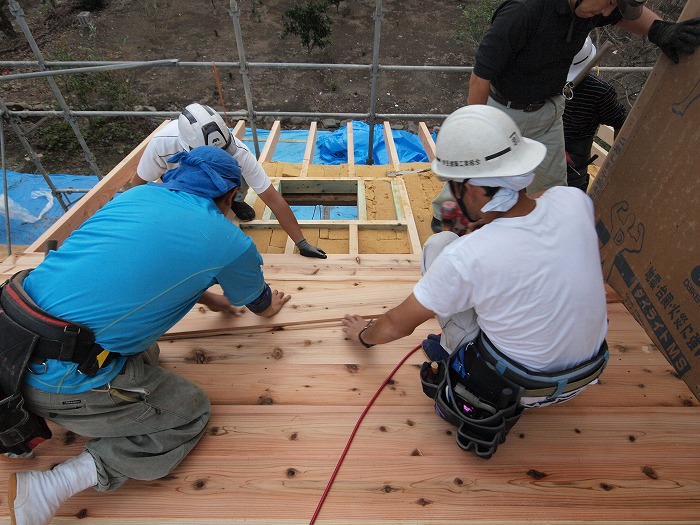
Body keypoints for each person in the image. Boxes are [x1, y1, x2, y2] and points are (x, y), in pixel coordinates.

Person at [2, 146, 291, 525]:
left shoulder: (137, 196)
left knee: (146, 349)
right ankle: (53, 486)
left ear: (173, 179)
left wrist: (207, 295)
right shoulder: (229, 241)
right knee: (188, 411)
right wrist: (269, 305)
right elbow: (259, 303)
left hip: (9, 339)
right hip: (58, 378)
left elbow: (136, 259)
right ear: (231, 196)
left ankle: (16, 429)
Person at [344, 105, 608, 457]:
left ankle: (460, 353)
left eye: (453, 187)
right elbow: (541, 205)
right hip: (586, 376)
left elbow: (395, 325)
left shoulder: (467, 257)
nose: (451, 195)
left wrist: (362, 335)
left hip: (519, 388)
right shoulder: (575, 200)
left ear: (472, 189)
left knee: (439, 244)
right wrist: (491, 221)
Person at [430, 0, 700, 232]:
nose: (607, 14)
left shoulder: (595, 6)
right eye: (608, 4)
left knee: (553, 186)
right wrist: (479, 130)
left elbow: (630, 16)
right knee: (475, 174)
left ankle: (542, 236)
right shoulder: (524, 11)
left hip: (547, 110)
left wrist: (659, 30)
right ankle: (446, 215)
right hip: (502, 111)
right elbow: (480, 77)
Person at [131, 103, 327, 259]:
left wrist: (301, 243)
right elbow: (137, 186)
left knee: (236, 175)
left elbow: (272, 198)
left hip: (204, 187)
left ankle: (235, 201)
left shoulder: (238, 151)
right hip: (180, 188)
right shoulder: (162, 144)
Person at [563, 36, 628, 191]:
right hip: (535, 161)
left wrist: (614, 166)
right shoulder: (540, 81)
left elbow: (621, 124)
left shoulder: (599, 92)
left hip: (571, 171)